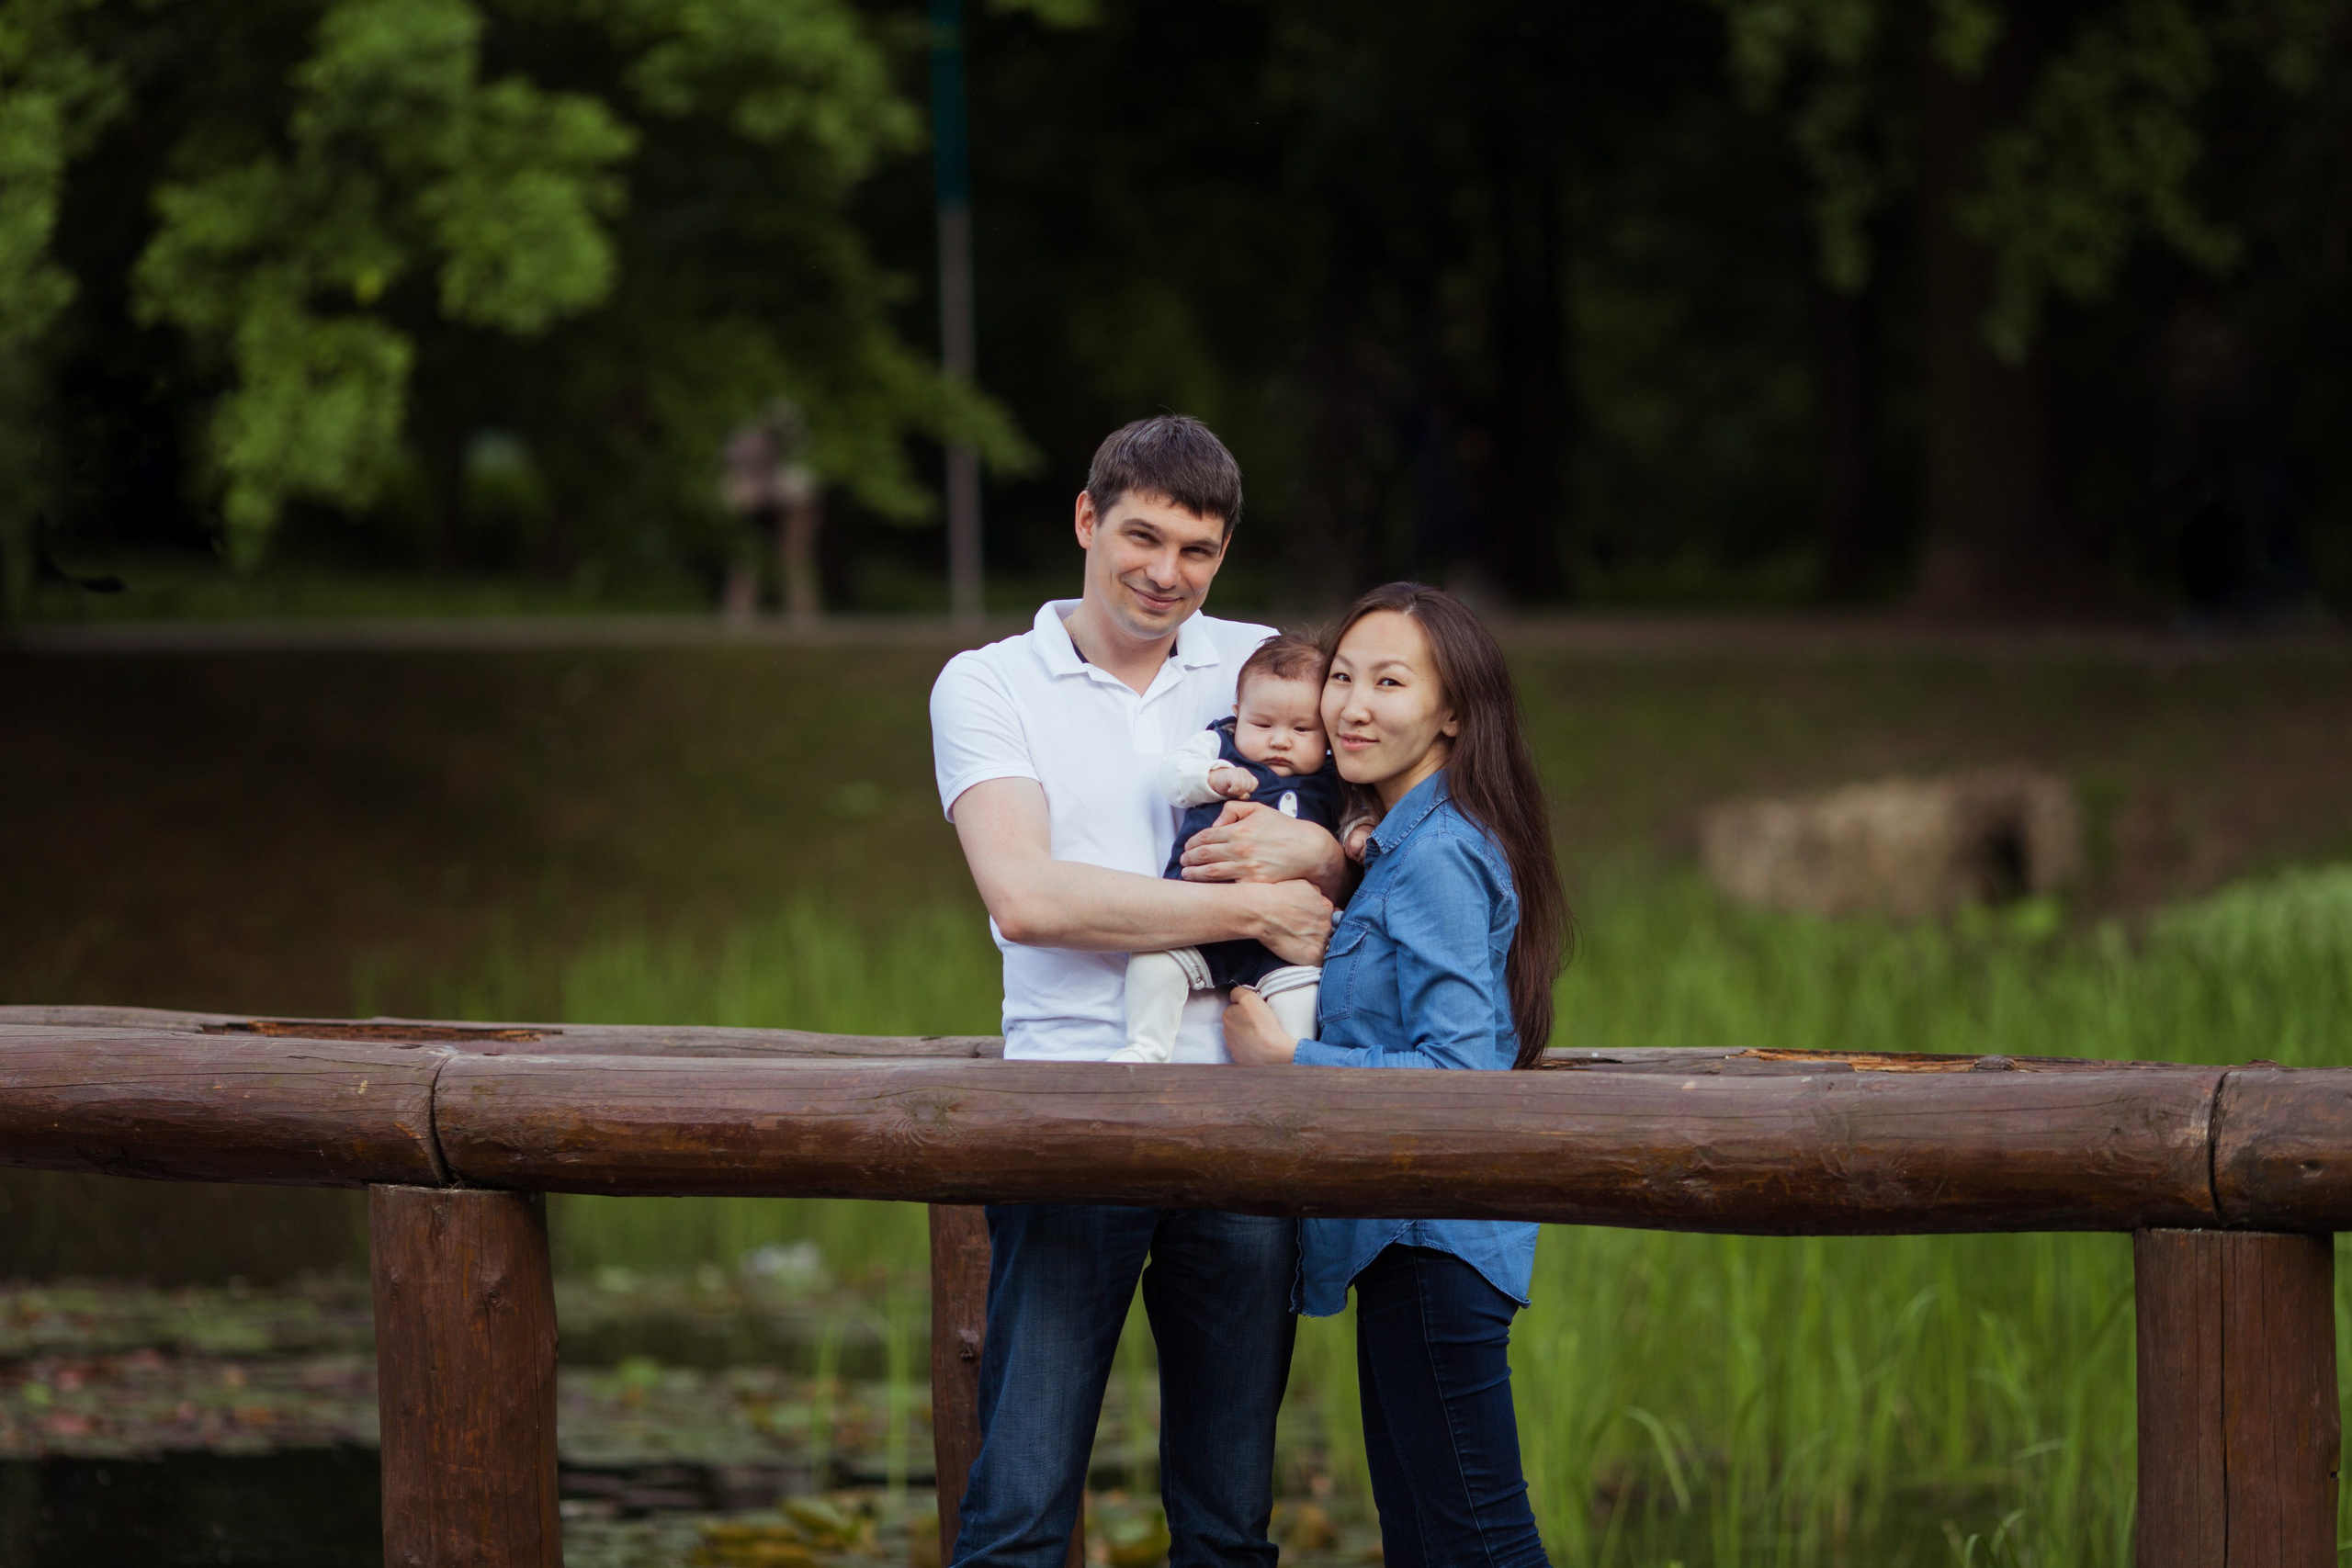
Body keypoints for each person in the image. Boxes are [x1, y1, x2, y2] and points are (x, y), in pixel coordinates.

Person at [928, 414, 1351, 1568]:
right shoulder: (988, 685)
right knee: (1017, 1509)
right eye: (1143, 537)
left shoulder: (1266, 664)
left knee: (1227, 1524)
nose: (1167, 574)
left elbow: (1373, 840)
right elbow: (1026, 898)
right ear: (1085, 519)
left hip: (1249, 1109)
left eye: (1198, 551)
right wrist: (1254, 908)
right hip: (1070, 1105)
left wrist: (1311, 861)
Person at [1222, 581, 1571, 1568]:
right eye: (1341, 678)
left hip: (1433, 1241)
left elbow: (1456, 1073)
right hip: (1404, 1238)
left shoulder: (1439, 855)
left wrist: (1293, 1062)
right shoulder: (1401, 841)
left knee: (1477, 1539)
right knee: (1426, 1541)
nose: (1351, 706)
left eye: (1389, 681)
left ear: (1452, 711)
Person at [1112, 633, 1372, 1064]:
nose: (1280, 740)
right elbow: (1173, 774)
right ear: (1238, 716)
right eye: (1263, 724)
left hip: (1282, 944)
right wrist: (1211, 778)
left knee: (1304, 994)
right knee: (1154, 965)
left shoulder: (1331, 777)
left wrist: (1357, 835)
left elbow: (1353, 817)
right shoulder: (1222, 747)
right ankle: (1145, 1048)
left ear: (1327, 731)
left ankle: (1292, 1064)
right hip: (1194, 919)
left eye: (1301, 729)